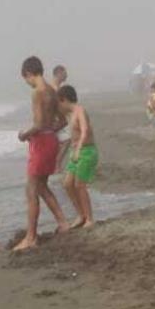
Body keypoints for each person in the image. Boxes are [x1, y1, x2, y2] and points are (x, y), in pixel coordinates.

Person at [15, 56, 68, 251]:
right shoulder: (53, 92)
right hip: (51, 141)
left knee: (31, 190)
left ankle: (31, 237)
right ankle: (63, 222)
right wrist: (47, 132)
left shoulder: (37, 93)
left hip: (41, 143)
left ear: (29, 74)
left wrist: (24, 135)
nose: (27, 84)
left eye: (26, 79)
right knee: (42, 187)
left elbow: (37, 124)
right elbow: (62, 121)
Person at [57, 85, 98, 228]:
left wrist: (78, 149)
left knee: (79, 185)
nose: (59, 107)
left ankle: (90, 219)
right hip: (75, 152)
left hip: (86, 151)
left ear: (64, 100)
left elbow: (85, 130)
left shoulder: (80, 110)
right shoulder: (70, 115)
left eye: (59, 103)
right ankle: (81, 215)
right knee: (67, 184)